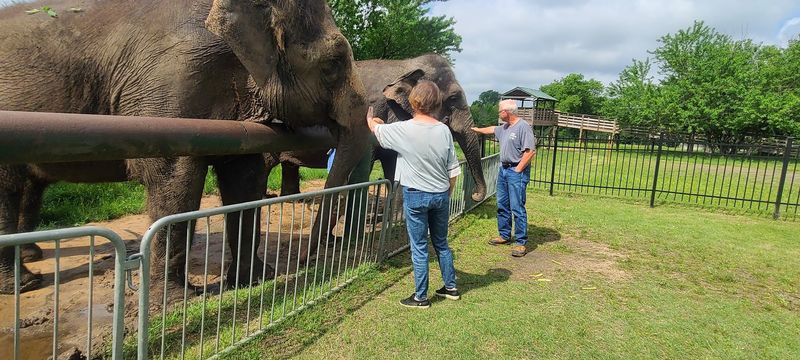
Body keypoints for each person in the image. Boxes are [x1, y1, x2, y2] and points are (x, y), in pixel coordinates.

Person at [367, 80, 462, 309]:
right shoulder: (443, 131)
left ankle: (421, 297)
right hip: (441, 194)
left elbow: (376, 130)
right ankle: (451, 287)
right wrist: (446, 194)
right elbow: (453, 170)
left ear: (413, 102)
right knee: (441, 243)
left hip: (416, 195)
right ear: (437, 103)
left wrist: (371, 118)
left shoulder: (404, 129)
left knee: (419, 246)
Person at [471, 99, 536, 257]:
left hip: (516, 171)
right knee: (502, 204)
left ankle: (520, 242)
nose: (499, 113)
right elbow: (492, 129)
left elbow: (530, 151)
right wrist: (476, 129)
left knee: (517, 207)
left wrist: (518, 170)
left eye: (500, 111)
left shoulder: (523, 127)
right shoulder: (505, 127)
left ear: (506, 112)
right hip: (504, 170)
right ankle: (505, 235)